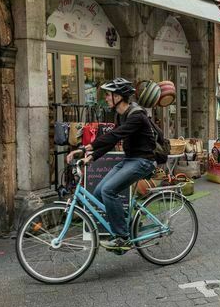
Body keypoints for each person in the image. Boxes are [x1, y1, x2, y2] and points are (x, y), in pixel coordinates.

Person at [66, 78, 156, 251]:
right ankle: (127, 223)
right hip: (130, 160)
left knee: (108, 190)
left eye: (108, 95)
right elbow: (111, 142)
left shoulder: (137, 115)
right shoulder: (121, 115)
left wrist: (86, 147)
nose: (106, 98)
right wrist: (91, 157)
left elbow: (116, 135)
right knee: (99, 192)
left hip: (143, 161)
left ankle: (122, 238)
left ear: (119, 97)